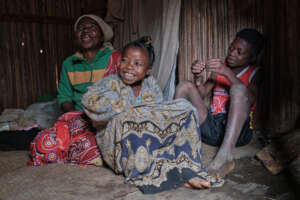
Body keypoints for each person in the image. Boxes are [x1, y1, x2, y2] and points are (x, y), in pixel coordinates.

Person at [81, 36, 224, 194]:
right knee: (130, 117)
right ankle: (161, 175)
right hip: (118, 146)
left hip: (148, 145)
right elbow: (88, 101)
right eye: (125, 60)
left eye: (137, 64)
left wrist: (150, 114)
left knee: (185, 107)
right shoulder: (109, 83)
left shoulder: (151, 84)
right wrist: (126, 107)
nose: (129, 67)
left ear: (148, 71)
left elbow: (158, 117)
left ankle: (184, 169)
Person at [28, 14, 121, 166]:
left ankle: (85, 150)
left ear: (102, 34)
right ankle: (84, 149)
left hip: (108, 120)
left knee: (104, 144)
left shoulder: (115, 58)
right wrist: (76, 118)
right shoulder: (69, 63)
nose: (85, 31)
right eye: (80, 28)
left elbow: (123, 94)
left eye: (91, 27)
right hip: (79, 120)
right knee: (42, 144)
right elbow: (64, 97)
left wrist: (99, 118)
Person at [175, 28, 264, 178]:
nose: (232, 53)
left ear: (252, 57)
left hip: (238, 132)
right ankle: (176, 142)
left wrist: (227, 73)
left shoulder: (255, 72)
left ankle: (225, 156)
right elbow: (201, 94)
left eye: (239, 52)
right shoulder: (220, 69)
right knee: (184, 86)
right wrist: (197, 78)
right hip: (212, 128)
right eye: (231, 47)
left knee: (239, 90)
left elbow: (251, 98)